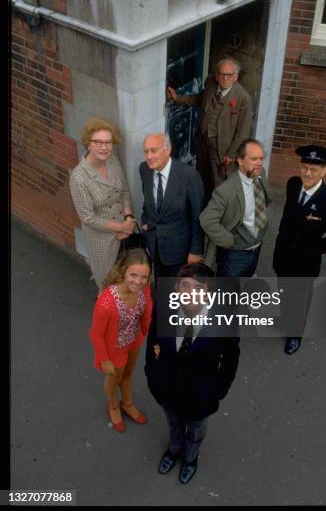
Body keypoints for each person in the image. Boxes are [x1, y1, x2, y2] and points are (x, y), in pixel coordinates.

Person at [145, 263, 240, 484]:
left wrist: (219, 392)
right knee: (174, 424)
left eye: (199, 287)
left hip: (200, 394)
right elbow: (153, 339)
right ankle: (174, 450)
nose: (190, 293)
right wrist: (151, 371)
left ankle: (190, 459)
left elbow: (231, 359)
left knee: (196, 431)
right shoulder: (164, 307)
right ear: (177, 287)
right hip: (166, 387)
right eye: (185, 285)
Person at [273, 144, 326, 355]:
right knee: (284, 292)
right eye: (305, 167)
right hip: (283, 255)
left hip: (305, 264)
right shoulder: (293, 184)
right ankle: (285, 320)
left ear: (324, 171)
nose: (308, 173)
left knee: (300, 301)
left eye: (314, 169)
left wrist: (314, 249)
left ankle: (295, 334)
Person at [167, 59, 253, 195]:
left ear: (235, 77)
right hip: (203, 140)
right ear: (217, 75)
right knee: (202, 174)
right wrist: (177, 98)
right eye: (222, 74)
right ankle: (201, 202)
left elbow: (243, 132)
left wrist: (231, 155)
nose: (225, 78)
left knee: (218, 181)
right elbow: (197, 99)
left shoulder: (243, 98)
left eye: (229, 75)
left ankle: (216, 211)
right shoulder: (211, 84)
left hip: (222, 149)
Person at [89, 248, 153, 432]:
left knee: (128, 374)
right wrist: (104, 359)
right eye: (133, 275)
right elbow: (96, 334)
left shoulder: (144, 288)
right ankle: (113, 405)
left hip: (134, 341)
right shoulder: (106, 302)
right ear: (123, 270)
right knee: (114, 378)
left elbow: (147, 314)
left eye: (144, 277)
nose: (139, 282)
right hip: (114, 349)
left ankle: (127, 403)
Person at [69, 117, 136, 291]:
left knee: (128, 276)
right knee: (108, 284)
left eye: (108, 142)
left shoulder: (112, 160)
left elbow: (124, 191)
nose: (104, 147)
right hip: (102, 238)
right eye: (98, 142)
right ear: (88, 144)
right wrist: (122, 227)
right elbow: (88, 218)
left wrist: (128, 217)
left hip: (125, 229)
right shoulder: (79, 178)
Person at [199, 139, 271, 277]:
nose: (259, 163)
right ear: (240, 160)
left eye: (261, 158)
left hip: (256, 249)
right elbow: (206, 220)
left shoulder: (262, 175)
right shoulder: (225, 190)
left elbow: (263, 202)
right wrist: (229, 241)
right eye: (254, 159)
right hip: (235, 257)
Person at [139, 132, 205, 281]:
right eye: (146, 151)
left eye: (154, 150)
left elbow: (198, 218)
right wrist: (145, 221)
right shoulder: (144, 169)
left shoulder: (189, 176)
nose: (149, 156)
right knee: (161, 288)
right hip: (154, 246)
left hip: (180, 252)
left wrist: (196, 251)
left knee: (178, 292)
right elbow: (147, 201)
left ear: (167, 150)